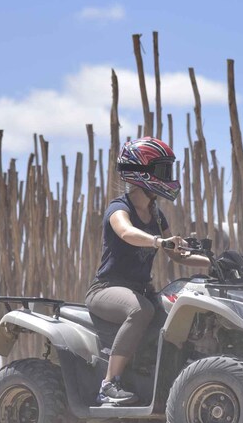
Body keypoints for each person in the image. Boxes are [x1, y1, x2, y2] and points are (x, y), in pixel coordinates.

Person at [86, 137, 210, 405]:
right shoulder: (119, 208)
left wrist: (213, 263)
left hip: (142, 290)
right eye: (163, 170)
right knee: (141, 310)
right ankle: (108, 385)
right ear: (143, 173)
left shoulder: (157, 214)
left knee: (174, 312)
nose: (169, 177)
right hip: (106, 290)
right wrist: (157, 240)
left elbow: (177, 254)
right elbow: (126, 232)